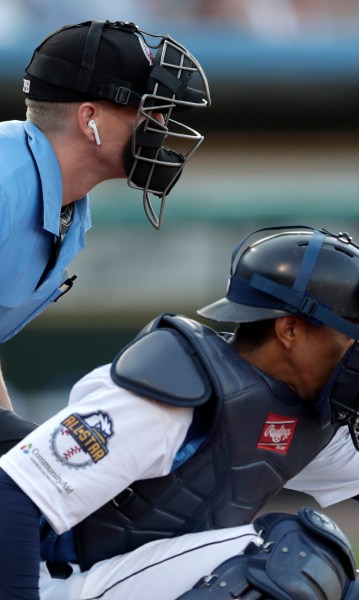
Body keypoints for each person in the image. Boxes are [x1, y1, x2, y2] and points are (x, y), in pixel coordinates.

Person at [0, 225, 359, 600]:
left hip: (128, 579)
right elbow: (14, 496)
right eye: (357, 333)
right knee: (292, 559)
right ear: (289, 329)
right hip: (63, 583)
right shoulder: (169, 389)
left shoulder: (300, 412)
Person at [0, 20, 211, 412]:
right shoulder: (5, 179)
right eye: (148, 110)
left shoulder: (68, 204)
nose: (161, 127)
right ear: (89, 119)